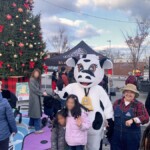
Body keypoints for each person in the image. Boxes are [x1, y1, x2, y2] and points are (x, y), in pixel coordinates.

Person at [111, 84, 149, 150]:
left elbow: (146, 118)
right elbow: (110, 115)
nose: (129, 94)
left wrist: (134, 120)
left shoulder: (139, 105)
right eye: (127, 91)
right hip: (116, 138)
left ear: (135, 94)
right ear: (124, 92)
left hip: (132, 138)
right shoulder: (117, 103)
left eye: (131, 92)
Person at [28, 69, 47, 134]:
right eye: (35, 73)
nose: (36, 74)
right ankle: (37, 129)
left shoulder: (36, 79)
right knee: (36, 112)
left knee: (33, 111)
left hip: (35, 97)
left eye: (38, 73)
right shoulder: (32, 79)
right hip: (34, 98)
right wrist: (42, 93)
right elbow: (35, 90)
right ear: (33, 73)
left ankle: (31, 124)